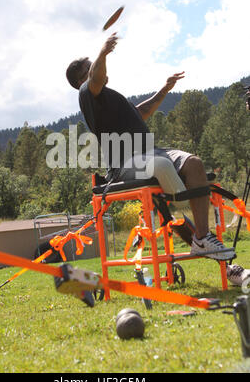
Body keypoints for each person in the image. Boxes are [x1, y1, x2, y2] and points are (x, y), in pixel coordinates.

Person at [66, 32, 249, 285]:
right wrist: (104, 52)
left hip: (152, 152)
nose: (99, 69)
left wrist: (164, 89)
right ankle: (176, 212)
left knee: (193, 163)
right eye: (91, 68)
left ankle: (201, 238)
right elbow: (95, 77)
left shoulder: (112, 98)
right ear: (82, 78)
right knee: (162, 168)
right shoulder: (87, 93)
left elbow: (142, 111)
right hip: (124, 164)